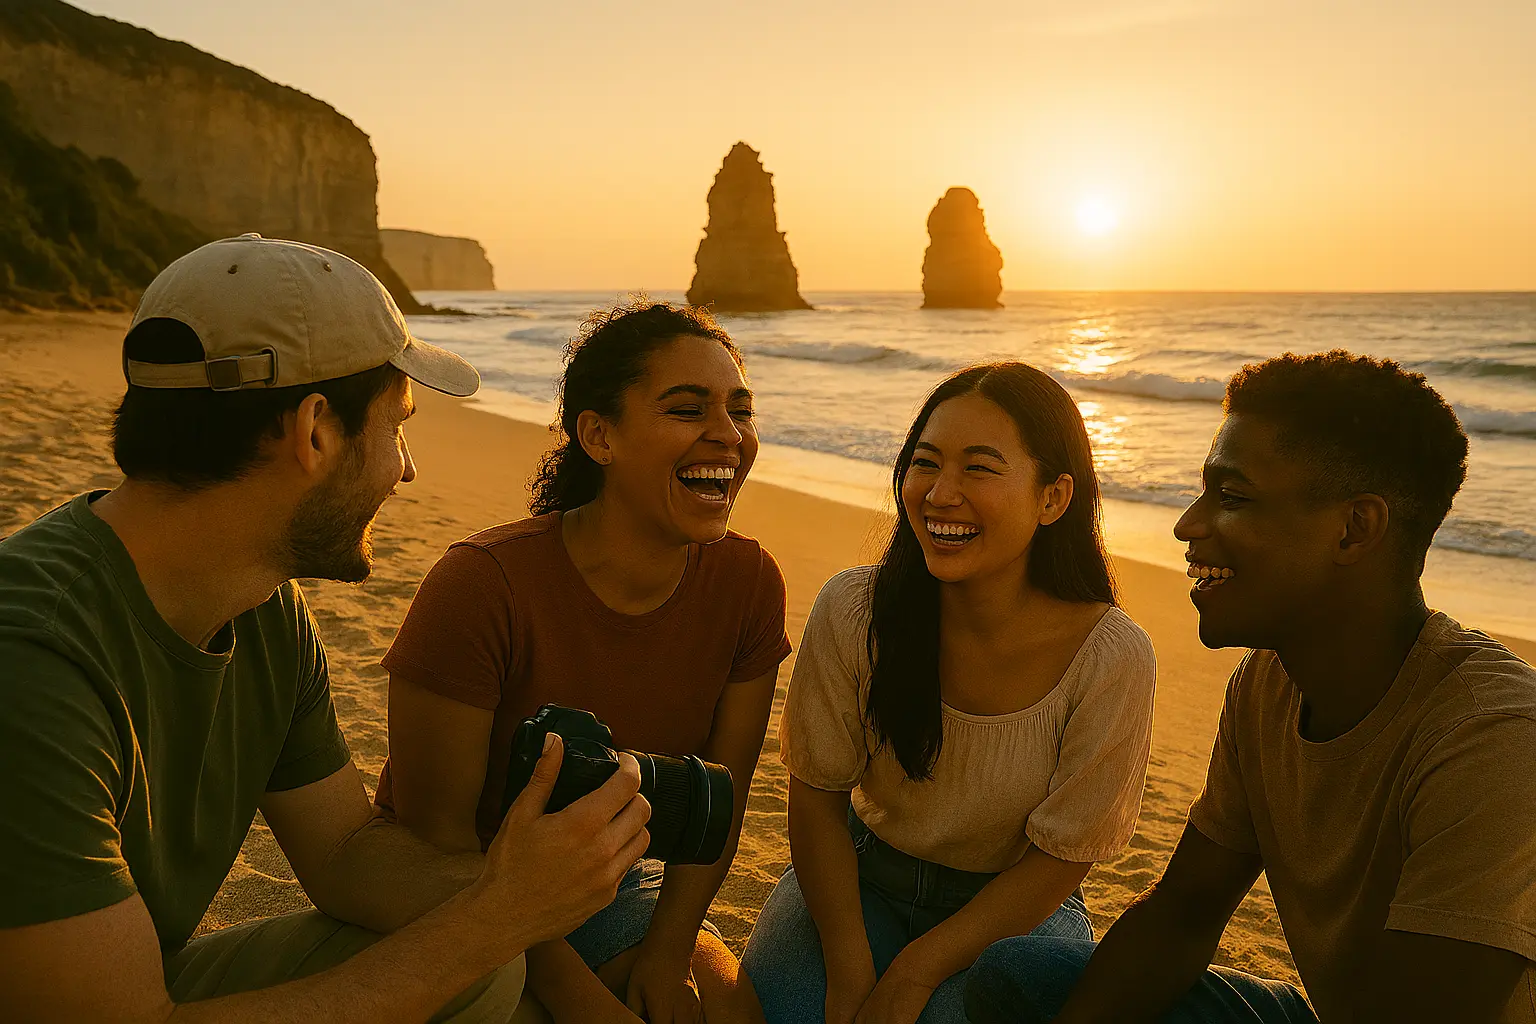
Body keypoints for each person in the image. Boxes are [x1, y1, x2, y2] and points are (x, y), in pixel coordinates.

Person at [0, 235, 653, 1024]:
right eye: (397, 426)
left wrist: (520, 886)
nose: (406, 469)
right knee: (470, 948)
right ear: (315, 431)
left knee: (478, 968)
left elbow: (344, 854)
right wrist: (493, 918)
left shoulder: (260, 606)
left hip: (119, 982)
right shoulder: (32, 657)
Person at [963, 351, 1536, 1023]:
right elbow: (1183, 914)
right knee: (1018, 977)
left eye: (1231, 497)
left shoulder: (1492, 740)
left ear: (1354, 529)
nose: (1187, 525)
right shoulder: (1269, 681)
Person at [374, 301, 792, 1023]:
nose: (728, 434)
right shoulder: (482, 585)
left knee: (720, 1007)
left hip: (611, 880)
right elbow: (436, 843)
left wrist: (668, 955)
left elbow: (716, 807)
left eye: (740, 410)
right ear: (599, 435)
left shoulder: (748, 584)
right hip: (460, 888)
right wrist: (582, 1003)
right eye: (687, 409)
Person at [740, 362, 1158, 1024]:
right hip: (859, 879)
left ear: (1053, 498)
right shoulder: (856, 609)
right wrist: (849, 968)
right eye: (925, 463)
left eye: (979, 469)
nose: (939, 494)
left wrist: (913, 973)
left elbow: (1059, 861)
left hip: (1012, 910)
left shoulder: (1110, 656)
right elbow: (817, 799)